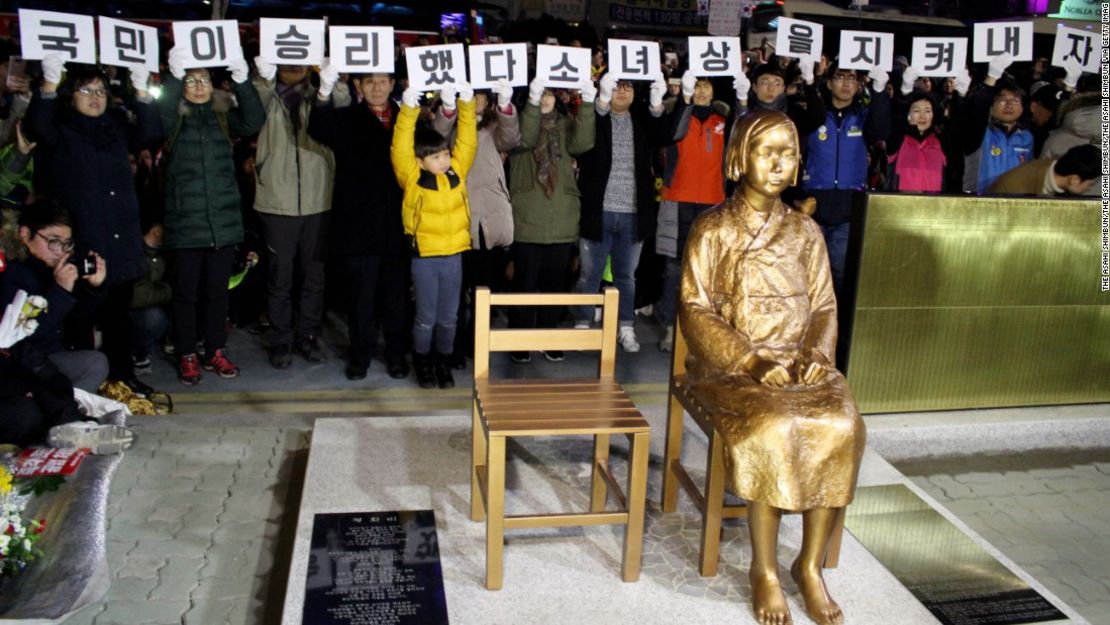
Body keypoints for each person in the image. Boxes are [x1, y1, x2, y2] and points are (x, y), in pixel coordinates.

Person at [680, 110, 864, 625]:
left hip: (801, 360)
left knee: (840, 423)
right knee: (775, 426)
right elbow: (694, 310)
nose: (779, 163)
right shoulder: (713, 228)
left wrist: (814, 355)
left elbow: (825, 305)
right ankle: (763, 569)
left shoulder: (805, 230)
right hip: (733, 366)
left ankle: (808, 565)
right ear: (740, 157)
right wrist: (749, 359)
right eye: (767, 151)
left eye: (788, 152)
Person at [24, 56, 164, 395]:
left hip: (121, 239)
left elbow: (151, 131)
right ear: (71, 95)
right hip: (84, 240)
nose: (95, 97)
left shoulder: (115, 127)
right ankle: (82, 384)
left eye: (100, 90)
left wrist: (142, 91)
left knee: (119, 317)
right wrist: (46, 86)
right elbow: (36, 129)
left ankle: (122, 378)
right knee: (80, 316)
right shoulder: (60, 129)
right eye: (86, 90)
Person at [159, 50, 266, 385]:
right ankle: (187, 352)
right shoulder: (173, 116)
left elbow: (253, 121)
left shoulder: (222, 115)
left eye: (203, 79)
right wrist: (173, 81)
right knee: (186, 293)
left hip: (222, 222)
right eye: (190, 80)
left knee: (218, 293)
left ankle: (214, 350)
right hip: (185, 222)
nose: (199, 86)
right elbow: (156, 118)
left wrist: (243, 81)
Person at [308, 70, 411, 381]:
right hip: (357, 223)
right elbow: (318, 127)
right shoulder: (347, 117)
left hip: (398, 223)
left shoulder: (409, 117)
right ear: (358, 86)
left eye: (383, 81)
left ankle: (396, 355)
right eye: (369, 82)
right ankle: (360, 356)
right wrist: (324, 92)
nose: (377, 88)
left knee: (396, 298)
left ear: (393, 85)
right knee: (361, 298)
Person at [252, 58, 348, 369]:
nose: (295, 65)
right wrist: (262, 77)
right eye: (288, 59)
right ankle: (281, 340)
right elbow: (250, 102)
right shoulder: (266, 93)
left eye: (302, 59)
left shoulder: (321, 93)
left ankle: (307, 335)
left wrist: (332, 78)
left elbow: (344, 103)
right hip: (276, 200)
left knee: (314, 276)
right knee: (280, 276)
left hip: (318, 199)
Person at [391, 82, 477, 389]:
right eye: (437, 156)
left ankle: (444, 360)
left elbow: (467, 143)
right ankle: (423, 362)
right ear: (420, 161)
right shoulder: (412, 179)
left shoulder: (457, 172)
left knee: (449, 317)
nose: (444, 160)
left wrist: (466, 106)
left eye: (444, 154)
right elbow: (400, 146)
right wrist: (408, 110)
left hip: (454, 255)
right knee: (426, 317)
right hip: (425, 258)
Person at [573, 73, 667, 352]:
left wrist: (657, 104)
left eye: (627, 88)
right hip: (598, 211)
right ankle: (583, 325)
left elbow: (663, 134)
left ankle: (626, 328)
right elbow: (587, 128)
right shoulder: (596, 118)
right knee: (589, 274)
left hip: (633, 213)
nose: (622, 93)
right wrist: (600, 99)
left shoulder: (641, 120)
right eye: (616, 88)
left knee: (626, 276)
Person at [507, 77, 597, 363]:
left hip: (561, 218)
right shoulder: (520, 122)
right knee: (524, 285)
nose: (546, 98)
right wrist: (533, 104)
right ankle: (519, 342)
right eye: (539, 94)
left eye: (548, 94)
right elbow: (527, 137)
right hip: (527, 217)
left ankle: (549, 339)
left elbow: (584, 141)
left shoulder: (565, 124)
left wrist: (588, 101)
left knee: (554, 285)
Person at [433, 80, 521, 367]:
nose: (477, 100)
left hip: (489, 220)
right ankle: (453, 349)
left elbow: (511, 138)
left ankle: (477, 344)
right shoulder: (453, 126)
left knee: (485, 289)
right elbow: (436, 137)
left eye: (481, 95)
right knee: (455, 292)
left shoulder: (494, 128)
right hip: (457, 216)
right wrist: (449, 109)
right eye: (471, 95)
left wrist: (506, 105)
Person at [655, 70, 734, 352]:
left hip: (713, 202)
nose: (702, 92)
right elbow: (670, 134)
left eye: (706, 87)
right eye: (697, 86)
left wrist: (744, 98)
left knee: (707, 272)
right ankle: (669, 328)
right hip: (678, 199)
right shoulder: (678, 114)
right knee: (675, 269)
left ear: (714, 91)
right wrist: (684, 102)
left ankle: (702, 329)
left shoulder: (723, 119)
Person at [801, 62, 890, 297]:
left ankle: (838, 320)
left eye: (852, 78)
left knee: (840, 268)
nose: (846, 84)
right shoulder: (816, 114)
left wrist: (880, 91)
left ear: (859, 84)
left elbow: (880, 129)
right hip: (815, 201)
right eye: (840, 77)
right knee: (811, 269)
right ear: (829, 83)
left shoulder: (862, 116)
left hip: (849, 205)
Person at [0, 200, 108, 392]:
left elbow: (79, 319)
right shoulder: (11, 273)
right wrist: (59, 292)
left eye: (66, 243)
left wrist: (95, 287)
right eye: (53, 241)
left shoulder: (53, 267)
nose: (59, 251)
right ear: (25, 234)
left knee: (95, 360)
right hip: (20, 366)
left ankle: (63, 409)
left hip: (51, 358)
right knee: (94, 363)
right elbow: (21, 339)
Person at [956, 54, 1034, 194]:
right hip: (979, 205)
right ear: (991, 107)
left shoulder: (1028, 138)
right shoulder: (980, 132)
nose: (1009, 105)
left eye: (1016, 100)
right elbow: (978, 108)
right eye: (1002, 100)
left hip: (1016, 208)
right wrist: (991, 77)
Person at [886, 66, 946, 193]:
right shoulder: (899, 140)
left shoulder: (940, 142)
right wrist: (905, 92)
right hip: (899, 208)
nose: (923, 116)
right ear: (908, 115)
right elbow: (897, 119)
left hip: (933, 208)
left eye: (928, 111)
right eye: (917, 111)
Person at [988, 144, 1101, 196]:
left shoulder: (1052, 173)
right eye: (1090, 184)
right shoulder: (1013, 188)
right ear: (1074, 179)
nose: (1089, 189)